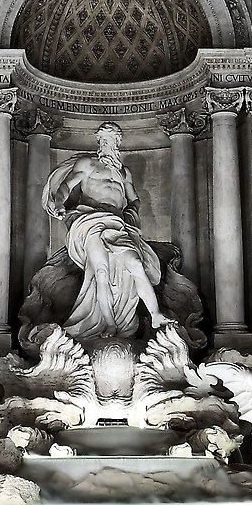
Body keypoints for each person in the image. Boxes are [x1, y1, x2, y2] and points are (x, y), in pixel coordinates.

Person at [40, 122, 174, 346]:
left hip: (117, 223)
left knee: (136, 263)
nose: (106, 145)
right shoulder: (88, 164)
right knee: (100, 271)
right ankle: (109, 324)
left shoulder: (124, 173)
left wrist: (132, 211)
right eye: (102, 141)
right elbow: (67, 185)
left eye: (110, 141)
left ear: (117, 143)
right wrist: (59, 202)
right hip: (90, 220)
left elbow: (134, 199)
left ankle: (156, 315)